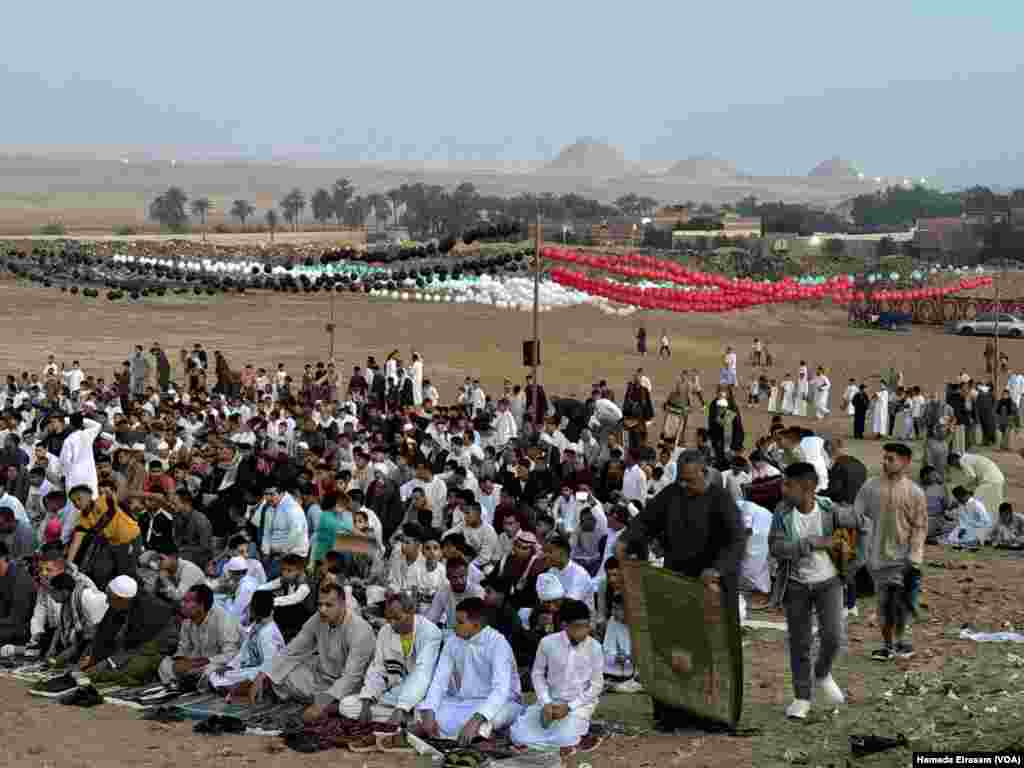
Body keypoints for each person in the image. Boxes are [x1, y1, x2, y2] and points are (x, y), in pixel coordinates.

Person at [626, 449, 745, 732]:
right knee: (673, 649)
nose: (685, 485)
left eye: (690, 480)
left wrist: (717, 569)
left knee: (712, 652)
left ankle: (715, 715)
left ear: (705, 474)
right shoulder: (672, 494)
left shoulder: (721, 499)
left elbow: (736, 541)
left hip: (712, 588)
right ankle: (673, 713)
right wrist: (627, 540)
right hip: (676, 584)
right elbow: (645, 522)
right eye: (681, 479)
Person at [769, 463, 861, 719]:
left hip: (829, 581)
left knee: (832, 636)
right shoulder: (782, 511)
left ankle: (821, 672)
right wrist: (808, 544)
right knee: (800, 643)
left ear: (807, 487)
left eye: (788, 484)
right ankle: (802, 697)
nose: (783, 488)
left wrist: (852, 555)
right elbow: (776, 547)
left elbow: (861, 524)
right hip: (796, 584)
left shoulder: (830, 510)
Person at [250, 577, 376, 724]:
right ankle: (325, 704)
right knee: (280, 676)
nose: (322, 609)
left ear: (343, 605)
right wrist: (263, 674)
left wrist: (320, 704)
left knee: (347, 704)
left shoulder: (360, 630)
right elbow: (293, 649)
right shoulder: (318, 618)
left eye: (329, 605)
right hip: (321, 678)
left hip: (350, 686)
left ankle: (328, 705)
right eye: (320, 604)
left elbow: (352, 677)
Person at [854, 443, 927, 661]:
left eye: (891, 459)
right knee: (884, 603)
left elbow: (920, 527)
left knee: (900, 603)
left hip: (904, 559)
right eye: (884, 458)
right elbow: (857, 516)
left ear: (905, 462)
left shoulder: (914, 492)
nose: (885, 463)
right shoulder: (870, 487)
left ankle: (898, 642)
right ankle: (889, 644)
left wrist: (913, 557)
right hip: (876, 558)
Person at [416, 597, 523, 745]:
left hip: (500, 702)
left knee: (489, 721)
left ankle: (479, 737)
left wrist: (475, 720)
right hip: (464, 702)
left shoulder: (498, 643)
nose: (454, 626)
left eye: (460, 622)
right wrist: (429, 713)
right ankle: (468, 736)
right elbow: (439, 681)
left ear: (476, 625)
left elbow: (501, 691)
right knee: (424, 710)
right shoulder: (453, 641)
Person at [338, 591, 443, 729]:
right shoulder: (385, 631)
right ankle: (405, 720)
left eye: (397, 618)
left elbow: (422, 674)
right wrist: (367, 702)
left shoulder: (430, 632)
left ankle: (405, 716)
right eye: (389, 619)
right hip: (396, 692)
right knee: (346, 705)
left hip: (423, 692)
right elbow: (378, 668)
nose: (392, 624)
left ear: (411, 612)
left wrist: (402, 707)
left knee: (428, 713)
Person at [510, 599, 604, 751]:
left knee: (565, 738)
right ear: (564, 626)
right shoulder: (547, 643)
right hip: (551, 702)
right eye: (578, 627)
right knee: (517, 735)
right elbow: (538, 674)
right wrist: (546, 702)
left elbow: (596, 686)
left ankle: (552, 737)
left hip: (579, 704)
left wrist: (570, 707)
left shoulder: (595, 647)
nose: (584, 632)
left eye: (586, 626)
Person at [82, 575, 179, 687]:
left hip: (154, 647)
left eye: (109, 598)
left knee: (130, 669)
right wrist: (94, 660)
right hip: (131, 650)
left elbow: (138, 647)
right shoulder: (118, 603)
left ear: (123, 599)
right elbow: (103, 634)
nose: (107, 601)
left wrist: (107, 663)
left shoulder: (150, 609)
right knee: (97, 668)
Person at [159, 583, 241, 688]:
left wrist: (202, 662)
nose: (182, 604)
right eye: (183, 600)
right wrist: (181, 661)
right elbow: (183, 648)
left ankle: (188, 682)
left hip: (215, 662)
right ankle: (183, 683)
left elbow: (231, 654)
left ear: (201, 606)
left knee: (211, 672)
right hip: (195, 662)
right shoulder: (187, 622)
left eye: (187, 602)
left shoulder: (223, 620)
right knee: (165, 665)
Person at [209, 590, 286, 693]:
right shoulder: (257, 626)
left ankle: (236, 688)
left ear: (255, 608)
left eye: (251, 606)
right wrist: (230, 666)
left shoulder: (269, 632)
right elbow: (243, 652)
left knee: (247, 675)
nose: (249, 609)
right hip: (252, 667)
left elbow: (270, 665)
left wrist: (252, 674)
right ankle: (232, 687)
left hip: (266, 672)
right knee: (217, 674)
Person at [947, 453, 1004, 541]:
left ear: (954, 460)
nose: (957, 468)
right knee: (993, 507)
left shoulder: (962, 461)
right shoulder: (970, 458)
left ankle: (982, 533)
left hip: (989, 480)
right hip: (997, 479)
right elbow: (975, 480)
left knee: (977, 505)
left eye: (954, 466)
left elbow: (971, 477)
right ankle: (992, 532)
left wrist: (963, 490)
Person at [0, 541, 36, 648]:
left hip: (21, 632)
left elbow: (17, 620)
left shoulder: (20, 579)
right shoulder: (4, 575)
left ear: (4, 558)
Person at [823, 437, 868, 505]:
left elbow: (834, 490)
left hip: (844, 507)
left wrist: (817, 494)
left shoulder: (837, 467)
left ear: (828, 450)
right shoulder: (860, 464)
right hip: (860, 504)